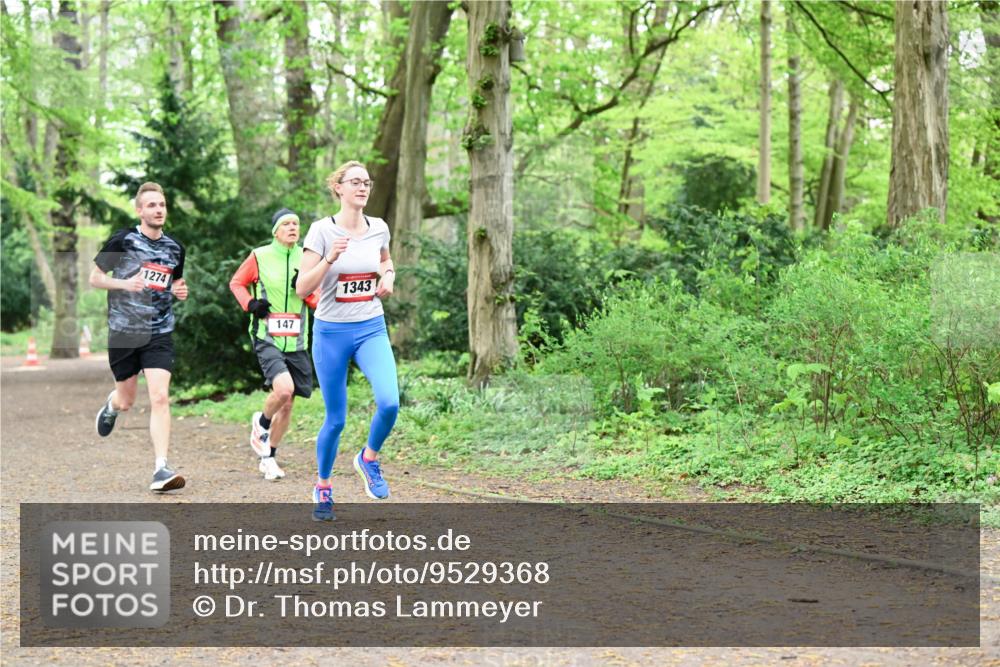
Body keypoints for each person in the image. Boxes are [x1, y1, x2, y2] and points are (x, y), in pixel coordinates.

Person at [296, 161, 399, 521]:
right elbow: (302, 287)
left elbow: (386, 262)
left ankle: (368, 459)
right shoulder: (321, 231)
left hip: (371, 326)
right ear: (338, 187)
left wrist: (388, 277)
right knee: (336, 419)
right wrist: (329, 259)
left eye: (367, 182)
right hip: (330, 333)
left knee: (389, 402)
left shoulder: (379, 228)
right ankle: (323, 486)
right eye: (355, 182)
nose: (363, 187)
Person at [90, 181, 188, 493]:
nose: (158, 210)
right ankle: (112, 405)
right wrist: (124, 284)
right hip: (123, 332)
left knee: (159, 396)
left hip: (159, 331)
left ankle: (161, 467)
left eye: (161, 205)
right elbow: (95, 278)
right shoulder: (123, 239)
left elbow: (174, 283)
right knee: (127, 399)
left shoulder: (175, 248)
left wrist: (178, 290)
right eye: (151, 205)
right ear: (139, 210)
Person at [229, 208, 319, 481]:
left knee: (289, 404)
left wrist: (306, 290)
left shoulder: (307, 257)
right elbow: (236, 283)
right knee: (283, 390)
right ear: (276, 231)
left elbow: (317, 300)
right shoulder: (260, 256)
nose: (293, 227)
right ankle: (262, 422)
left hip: (297, 339)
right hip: (267, 336)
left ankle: (269, 457)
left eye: (296, 223)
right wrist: (250, 303)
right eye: (286, 224)